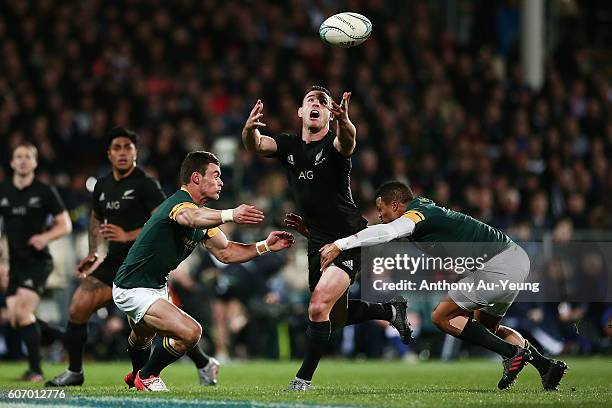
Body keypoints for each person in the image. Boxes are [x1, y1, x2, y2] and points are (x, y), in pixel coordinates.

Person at [319, 181, 568, 391]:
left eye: (381, 209)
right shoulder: (424, 207)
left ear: (395, 204)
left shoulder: (415, 215)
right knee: (487, 327)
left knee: (441, 316)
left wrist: (341, 244)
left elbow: (388, 231)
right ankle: (546, 367)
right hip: (514, 259)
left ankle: (510, 353)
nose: (380, 215)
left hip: (498, 263)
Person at [242, 86, 412, 391]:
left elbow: (348, 140)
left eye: (323, 101)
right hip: (317, 241)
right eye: (311, 101)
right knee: (334, 317)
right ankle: (390, 310)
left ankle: (302, 380)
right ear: (301, 113)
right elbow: (256, 145)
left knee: (318, 306)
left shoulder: (335, 147)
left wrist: (345, 121)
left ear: (329, 114)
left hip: (348, 238)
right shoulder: (289, 146)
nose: (316, 104)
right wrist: (248, 130)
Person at [46, 128, 220, 387]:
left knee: (161, 328)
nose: (123, 153)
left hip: (145, 261)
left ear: (136, 153)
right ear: (109, 154)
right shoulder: (102, 185)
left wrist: (127, 234)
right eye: (117, 148)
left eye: (128, 147)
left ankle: (193, 364)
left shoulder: (146, 184)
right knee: (78, 308)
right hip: (116, 262)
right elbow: (96, 216)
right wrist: (94, 251)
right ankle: (76, 371)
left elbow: (163, 219)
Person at [112, 151, 295, 391]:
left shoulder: (202, 218)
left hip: (153, 286)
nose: (221, 182)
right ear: (196, 178)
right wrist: (230, 214)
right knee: (190, 332)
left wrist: (265, 246)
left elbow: (226, 252)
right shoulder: (180, 205)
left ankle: (137, 375)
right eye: (216, 176)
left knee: (141, 337)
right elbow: (190, 217)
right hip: (133, 287)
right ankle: (147, 376)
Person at [0, 142, 72, 381]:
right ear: (11, 162)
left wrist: (45, 236)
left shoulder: (44, 191)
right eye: (18, 156)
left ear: (35, 162)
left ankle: (36, 371)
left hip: (37, 261)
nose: (22, 160)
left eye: (27, 157)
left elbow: (65, 225)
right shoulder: (4, 190)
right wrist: (2, 262)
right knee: (14, 316)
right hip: (14, 263)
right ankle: (62, 337)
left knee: (22, 311)